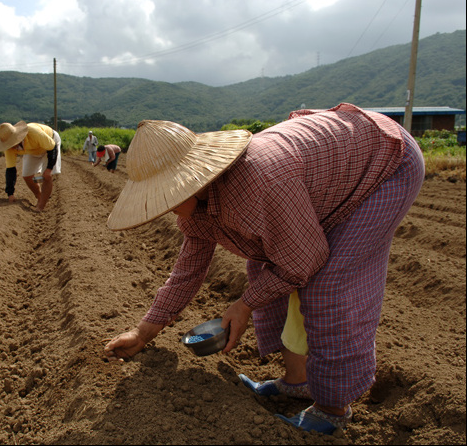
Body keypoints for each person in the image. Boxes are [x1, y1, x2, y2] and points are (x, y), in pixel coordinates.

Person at [102, 103, 424, 435]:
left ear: (193, 180)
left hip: (384, 163)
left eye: (165, 197)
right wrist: (143, 333)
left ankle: (332, 408)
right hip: (326, 173)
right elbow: (189, 270)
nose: (164, 209)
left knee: (328, 285)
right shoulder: (198, 208)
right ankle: (298, 382)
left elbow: (304, 259)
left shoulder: (260, 182)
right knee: (263, 268)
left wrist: (244, 306)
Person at [0, 120, 62, 212]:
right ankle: (39, 196)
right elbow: (10, 169)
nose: (10, 145)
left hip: (50, 143)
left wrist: (48, 169)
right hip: (32, 150)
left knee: (47, 177)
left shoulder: (33, 132)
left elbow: (52, 147)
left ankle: (41, 206)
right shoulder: (9, 148)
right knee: (27, 175)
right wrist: (10, 194)